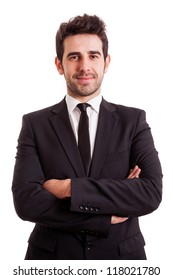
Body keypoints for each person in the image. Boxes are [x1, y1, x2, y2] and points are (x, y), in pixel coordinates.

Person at [12, 14, 162, 260]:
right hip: (51, 260)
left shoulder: (133, 121)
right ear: (59, 65)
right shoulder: (34, 124)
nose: (84, 66)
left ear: (107, 62)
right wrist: (104, 213)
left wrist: (68, 188)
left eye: (93, 55)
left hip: (122, 260)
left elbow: (150, 192)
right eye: (74, 57)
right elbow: (26, 201)